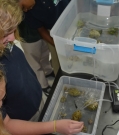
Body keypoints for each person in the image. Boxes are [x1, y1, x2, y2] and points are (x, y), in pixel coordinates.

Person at [0, 0, 84, 134]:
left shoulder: (6, 45)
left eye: (13, 30)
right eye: (5, 34)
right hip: (25, 121)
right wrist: (55, 126)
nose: (12, 38)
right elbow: (6, 124)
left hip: (37, 100)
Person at [18, 0, 71, 79]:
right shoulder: (28, 12)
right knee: (55, 59)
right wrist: (57, 44)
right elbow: (41, 30)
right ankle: (57, 79)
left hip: (70, 20)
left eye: (22, 7)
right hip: (53, 31)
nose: (25, 10)